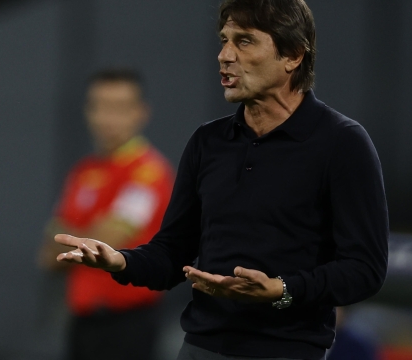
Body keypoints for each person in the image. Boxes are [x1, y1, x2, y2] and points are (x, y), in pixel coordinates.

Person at [53, 1, 389, 360]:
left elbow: (364, 269)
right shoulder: (207, 142)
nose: (224, 55)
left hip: (287, 351)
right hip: (200, 347)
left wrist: (282, 289)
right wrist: (121, 261)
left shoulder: (342, 143)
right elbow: (172, 252)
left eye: (244, 41)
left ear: (292, 55)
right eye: (224, 40)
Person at [38, 69, 175, 360]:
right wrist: (83, 234)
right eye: (100, 106)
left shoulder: (149, 173)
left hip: (128, 323)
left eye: (119, 108)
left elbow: (107, 240)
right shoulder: (82, 173)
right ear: (89, 111)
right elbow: (48, 254)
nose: (108, 118)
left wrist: (73, 234)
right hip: (82, 320)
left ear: (141, 113)